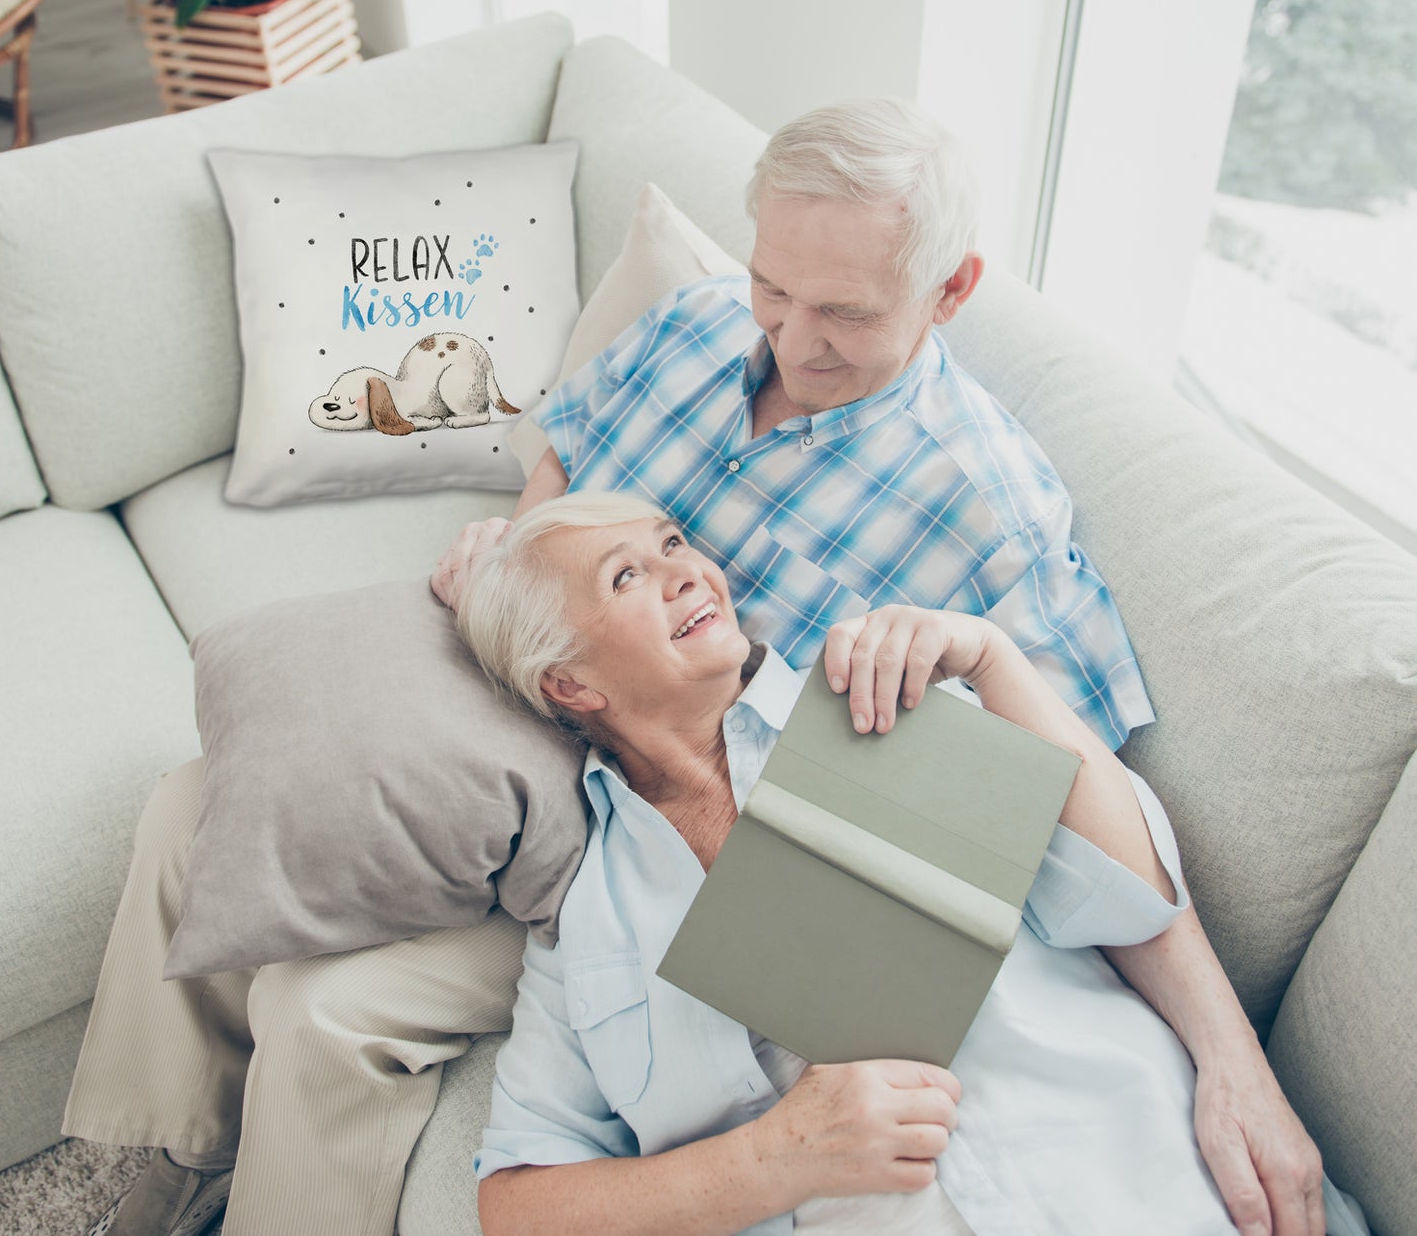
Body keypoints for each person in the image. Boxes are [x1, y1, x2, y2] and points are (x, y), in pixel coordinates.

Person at [66, 100, 1321, 1236]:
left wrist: (1231, 1057)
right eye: (776, 286)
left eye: (843, 311)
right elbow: (564, 450)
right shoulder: (698, 323)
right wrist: (519, 553)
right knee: (201, 798)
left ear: (948, 292)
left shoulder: (989, 516)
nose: (791, 336)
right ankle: (166, 1153)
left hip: (665, 803)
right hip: (552, 677)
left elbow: (1074, 810)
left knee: (327, 1009)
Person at [459, 492, 1358, 1236]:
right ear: (569, 684)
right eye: (627, 575)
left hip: (1146, 1185)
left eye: (672, 543)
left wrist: (992, 659)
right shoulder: (586, 923)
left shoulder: (882, 698)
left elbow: (1130, 897)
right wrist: (775, 1158)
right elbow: (516, 1205)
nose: (687, 570)